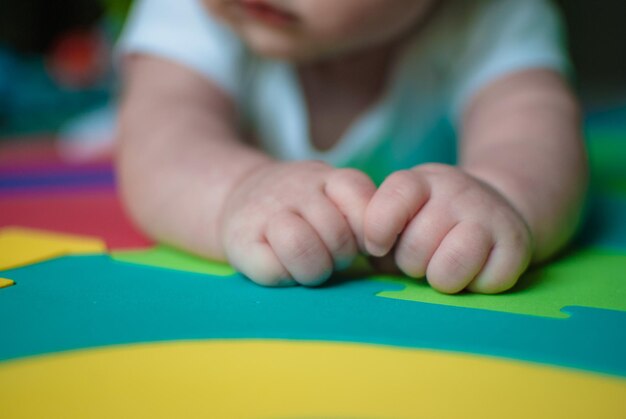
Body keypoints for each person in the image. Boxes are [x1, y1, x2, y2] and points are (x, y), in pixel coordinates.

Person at [116, 0, 587, 293]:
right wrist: (241, 188)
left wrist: (503, 194)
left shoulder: (490, 14)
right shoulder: (194, 10)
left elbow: (534, 132)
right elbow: (161, 138)